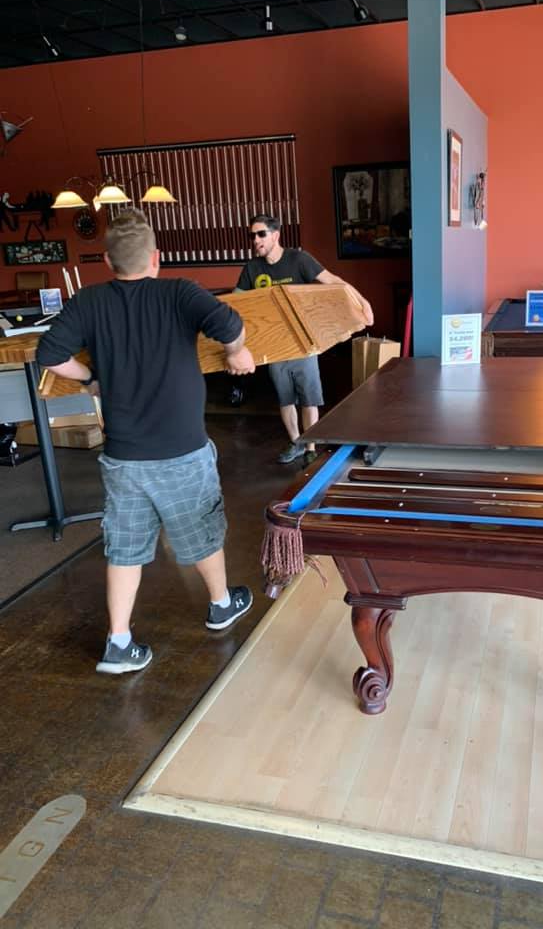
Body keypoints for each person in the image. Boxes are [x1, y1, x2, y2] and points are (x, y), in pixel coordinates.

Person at [36, 209, 257, 675]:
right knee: (200, 531)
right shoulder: (179, 292)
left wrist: (90, 378)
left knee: (125, 546)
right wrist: (238, 354)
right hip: (183, 450)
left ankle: (118, 642)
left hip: (124, 456)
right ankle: (220, 605)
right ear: (156, 257)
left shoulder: (89, 301)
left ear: (108, 261)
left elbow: (49, 354)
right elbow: (232, 327)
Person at [235, 214, 374, 464]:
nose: (255, 240)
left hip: (303, 343)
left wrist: (362, 302)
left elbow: (334, 282)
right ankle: (296, 442)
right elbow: (236, 303)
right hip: (274, 345)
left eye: (261, 234)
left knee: (309, 398)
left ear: (276, 235)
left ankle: (310, 447)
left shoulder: (298, 259)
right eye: (252, 235)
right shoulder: (252, 268)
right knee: (285, 398)